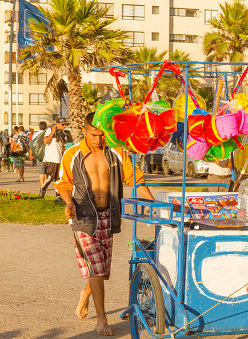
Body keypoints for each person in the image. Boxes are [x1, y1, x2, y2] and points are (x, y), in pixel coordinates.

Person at [55, 112, 155, 336]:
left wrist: (153, 203)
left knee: (101, 270)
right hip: (83, 218)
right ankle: (101, 319)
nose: (98, 139)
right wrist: (69, 202)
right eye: (93, 135)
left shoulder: (117, 152)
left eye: (102, 135)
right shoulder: (73, 154)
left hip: (108, 217)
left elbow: (136, 179)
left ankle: (86, 294)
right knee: (97, 269)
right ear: (84, 131)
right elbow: (62, 183)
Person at [40, 117, 67, 201]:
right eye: (62, 124)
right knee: (51, 176)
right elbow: (45, 141)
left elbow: (63, 148)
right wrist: (52, 133)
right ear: (57, 124)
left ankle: (58, 196)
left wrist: (64, 158)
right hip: (51, 158)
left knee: (59, 178)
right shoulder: (49, 130)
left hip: (59, 158)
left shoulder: (64, 134)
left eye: (65, 124)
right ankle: (43, 188)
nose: (64, 126)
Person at [33, 121, 48, 187]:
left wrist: (32, 154)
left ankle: (42, 187)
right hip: (48, 153)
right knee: (46, 171)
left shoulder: (35, 135)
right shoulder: (48, 134)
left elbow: (32, 145)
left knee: (41, 171)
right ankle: (45, 185)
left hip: (39, 154)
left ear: (39, 127)